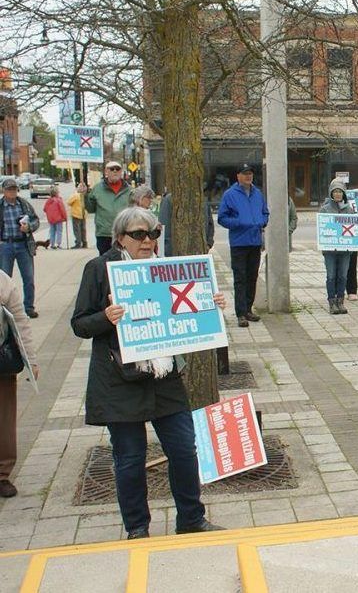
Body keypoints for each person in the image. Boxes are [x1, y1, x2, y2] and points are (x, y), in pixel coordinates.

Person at [71, 207, 225, 540]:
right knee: (130, 459)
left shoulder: (164, 269)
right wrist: (106, 317)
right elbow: (79, 324)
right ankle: (138, 529)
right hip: (119, 379)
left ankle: (191, 519)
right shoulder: (100, 269)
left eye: (153, 233)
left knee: (184, 448)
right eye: (139, 235)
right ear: (120, 237)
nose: (148, 241)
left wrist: (208, 303)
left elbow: (183, 308)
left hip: (163, 375)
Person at [0, 268, 39, 498]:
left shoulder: (3, 282)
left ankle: (2, 474)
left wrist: (31, 359)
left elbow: (20, 321)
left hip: (2, 361)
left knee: (4, 419)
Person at [217, 163, 269, 327]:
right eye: (245, 173)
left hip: (254, 242)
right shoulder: (230, 194)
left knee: (252, 277)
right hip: (239, 243)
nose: (248, 176)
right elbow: (222, 218)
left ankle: (248, 309)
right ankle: (240, 313)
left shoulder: (257, 193)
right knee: (240, 278)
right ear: (238, 176)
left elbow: (265, 212)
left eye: (250, 173)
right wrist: (239, 222)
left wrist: (262, 221)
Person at [0, 179, 39, 319]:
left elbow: (35, 220)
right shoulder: (1, 206)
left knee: (28, 278)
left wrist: (29, 227)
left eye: (14, 189)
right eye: (9, 189)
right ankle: (4, 309)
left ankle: (28, 307)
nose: (12, 192)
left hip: (23, 244)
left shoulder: (24, 205)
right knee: (4, 280)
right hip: (5, 245)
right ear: (3, 190)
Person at [320, 179, 354, 315]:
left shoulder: (349, 210)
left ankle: (340, 300)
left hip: (345, 250)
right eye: (335, 192)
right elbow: (322, 228)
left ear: (343, 193)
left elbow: (354, 229)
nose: (338, 194)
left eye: (340, 191)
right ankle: (332, 301)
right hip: (330, 250)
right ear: (331, 193)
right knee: (331, 275)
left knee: (343, 276)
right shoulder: (325, 209)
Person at [85, 160, 133, 255]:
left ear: (121, 172)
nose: (115, 171)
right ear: (106, 172)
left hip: (124, 233)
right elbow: (90, 209)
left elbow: (135, 210)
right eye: (112, 169)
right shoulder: (97, 189)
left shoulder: (129, 190)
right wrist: (84, 195)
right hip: (104, 234)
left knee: (124, 259)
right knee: (104, 262)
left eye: (117, 169)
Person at [159, 191, 215, 257]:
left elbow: (210, 224)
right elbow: (164, 229)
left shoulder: (201, 200)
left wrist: (208, 244)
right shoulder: (170, 200)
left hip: (199, 253)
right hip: (175, 255)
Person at [66, 183, 87, 248]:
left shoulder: (76, 195)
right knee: (83, 229)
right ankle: (84, 242)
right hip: (83, 214)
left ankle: (78, 242)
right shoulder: (85, 196)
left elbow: (69, 202)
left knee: (77, 229)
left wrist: (75, 193)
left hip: (76, 214)